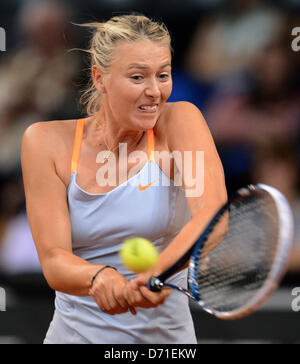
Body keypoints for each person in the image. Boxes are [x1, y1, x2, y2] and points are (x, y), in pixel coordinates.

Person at [21, 14, 227, 344]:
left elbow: (213, 217)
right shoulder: (43, 141)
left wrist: (155, 274)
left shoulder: (181, 120)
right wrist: (98, 277)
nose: (155, 92)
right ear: (99, 78)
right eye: (137, 77)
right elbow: (54, 259)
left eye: (163, 75)